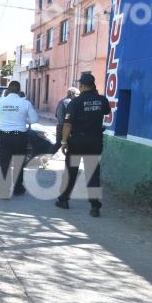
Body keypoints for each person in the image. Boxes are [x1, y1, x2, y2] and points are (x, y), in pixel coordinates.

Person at [55, 73, 111, 217]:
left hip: (77, 142)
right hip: (94, 142)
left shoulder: (75, 102)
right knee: (92, 173)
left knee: (71, 172)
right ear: (93, 85)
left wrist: (63, 141)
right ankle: (95, 207)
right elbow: (106, 111)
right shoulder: (102, 100)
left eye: (80, 84)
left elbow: (67, 124)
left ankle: (64, 199)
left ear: (82, 86)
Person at [0, 81, 39, 199]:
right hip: (19, 137)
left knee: (4, 163)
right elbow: (34, 120)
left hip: (4, 137)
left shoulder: (1, 101)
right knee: (18, 162)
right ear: (19, 90)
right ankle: (18, 188)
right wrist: (24, 120)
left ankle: (4, 191)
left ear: (7, 90)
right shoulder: (25, 103)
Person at [52, 87, 80, 153]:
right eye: (78, 94)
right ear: (72, 94)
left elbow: (56, 115)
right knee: (70, 145)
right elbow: (71, 117)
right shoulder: (70, 102)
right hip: (66, 127)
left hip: (59, 125)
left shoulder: (61, 101)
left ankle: (45, 158)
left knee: (58, 144)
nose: (79, 96)